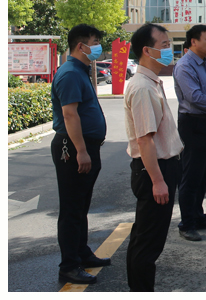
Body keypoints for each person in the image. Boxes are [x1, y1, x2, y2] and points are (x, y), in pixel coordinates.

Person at [123, 23, 183, 292]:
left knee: (144, 238)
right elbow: (144, 140)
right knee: (148, 244)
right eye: (165, 46)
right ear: (147, 51)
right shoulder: (143, 88)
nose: (170, 50)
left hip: (159, 168)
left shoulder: (150, 82)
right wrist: (158, 181)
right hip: (154, 171)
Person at [50, 24, 111, 285]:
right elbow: (69, 114)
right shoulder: (70, 74)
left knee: (81, 205)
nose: (98, 47)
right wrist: (82, 151)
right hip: (73, 148)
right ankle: (69, 266)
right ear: (80, 45)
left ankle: (82, 253)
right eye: (95, 42)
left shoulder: (79, 71)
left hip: (85, 146)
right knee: (72, 208)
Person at [173, 24, 206, 242]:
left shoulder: (205, 63)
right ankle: (187, 224)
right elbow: (193, 96)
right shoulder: (185, 66)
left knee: (203, 174)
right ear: (193, 41)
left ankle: (198, 216)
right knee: (191, 176)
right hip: (193, 124)